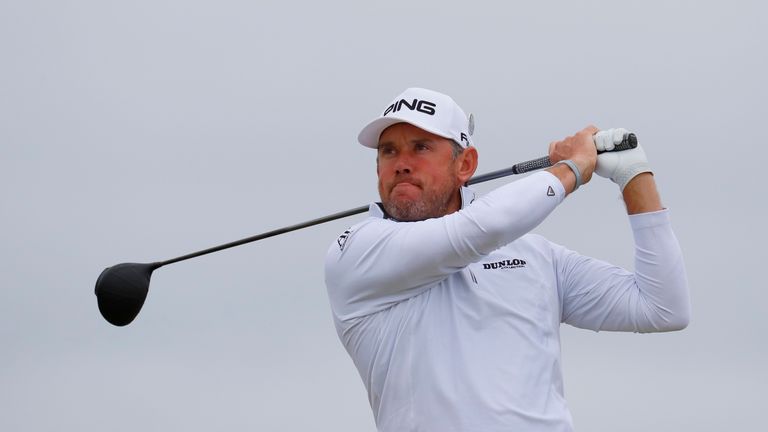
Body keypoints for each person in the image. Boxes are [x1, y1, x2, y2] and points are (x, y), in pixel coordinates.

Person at [324, 87, 690, 432]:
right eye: (389, 152)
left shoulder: (534, 255)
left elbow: (662, 307)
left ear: (465, 164)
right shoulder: (358, 251)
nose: (401, 164)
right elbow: (481, 228)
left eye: (420, 147)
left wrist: (634, 174)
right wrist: (574, 168)